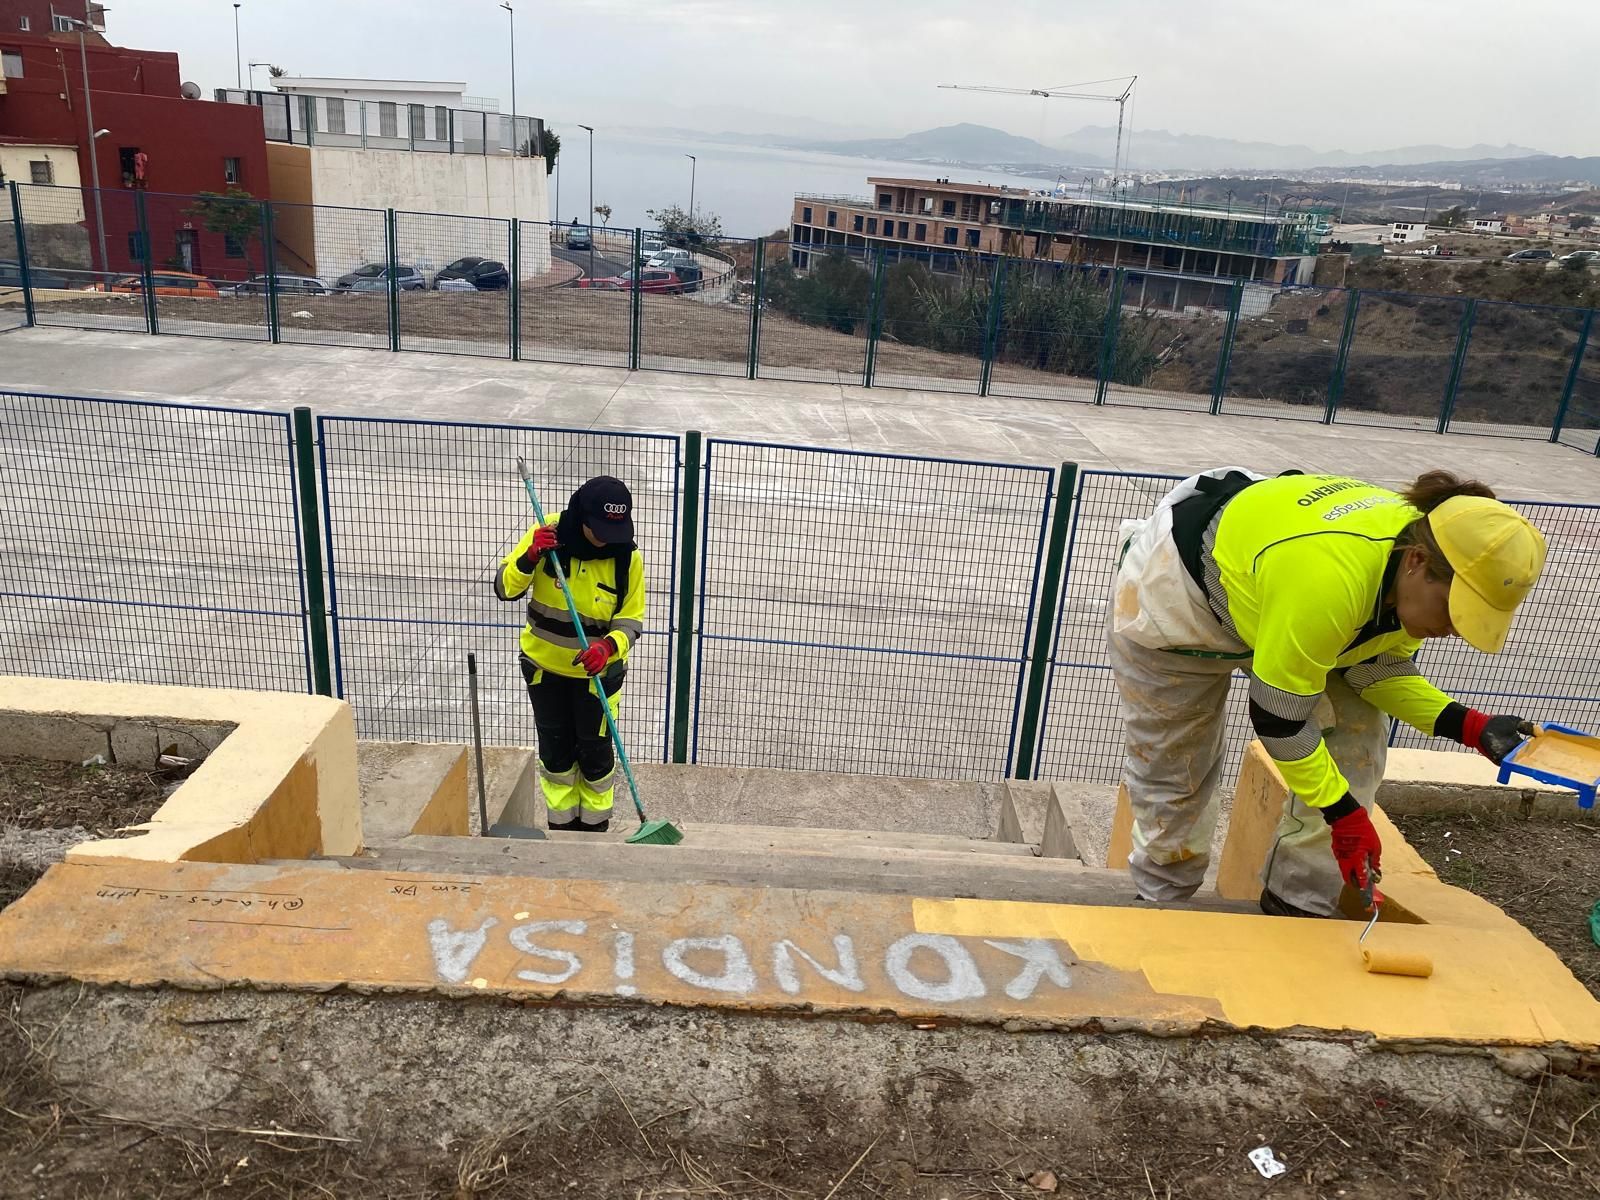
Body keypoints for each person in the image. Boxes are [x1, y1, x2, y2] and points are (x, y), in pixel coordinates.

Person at [1109, 468, 1547, 917]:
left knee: (1359, 735)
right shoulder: (1329, 580)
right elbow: (1279, 720)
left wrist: (1471, 727)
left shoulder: (1421, 556)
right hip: (1180, 600)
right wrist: (1343, 814)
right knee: (1177, 765)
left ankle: (1298, 902)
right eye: (1454, 610)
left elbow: (1374, 666)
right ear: (1416, 561)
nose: (1454, 629)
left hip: (1274, 591)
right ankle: (1162, 904)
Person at [494, 476, 645, 832]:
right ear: (580, 516)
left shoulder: (627, 558)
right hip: (543, 670)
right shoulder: (546, 537)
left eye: (615, 529)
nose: (607, 538)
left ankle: (594, 827)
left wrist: (608, 647)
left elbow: (631, 620)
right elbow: (504, 587)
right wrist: (530, 557)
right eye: (599, 528)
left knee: (595, 753)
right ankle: (561, 827)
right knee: (555, 751)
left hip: (596, 678)